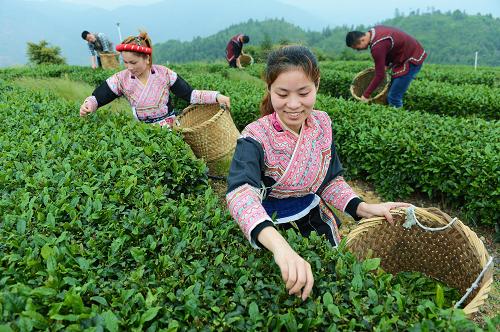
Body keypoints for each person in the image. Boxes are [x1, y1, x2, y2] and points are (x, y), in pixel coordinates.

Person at [225, 45, 409, 301]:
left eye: (303, 93)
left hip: (314, 220)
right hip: (269, 228)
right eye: (282, 93)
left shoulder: (322, 124)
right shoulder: (255, 136)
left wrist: (362, 208)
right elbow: (240, 194)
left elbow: (330, 180)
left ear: (317, 86)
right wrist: (280, 249)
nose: (293, 104)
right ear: (269, 89)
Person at [79, 31, 230, 128]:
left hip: (170, 129)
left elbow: (190, 95)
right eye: (125, 62)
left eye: (133, 62)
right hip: (143, 131)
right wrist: (89, 104)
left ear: (147, 58)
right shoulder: (121, 79)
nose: (129, 67)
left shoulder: (164, 74)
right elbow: (101, 95)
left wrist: (216, 97)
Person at [345, 26, 427, 108]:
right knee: (393, 91)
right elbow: (388, 47)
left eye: (357, 48)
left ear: (362, 40)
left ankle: (399, 119)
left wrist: (365, 95)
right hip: (409, 52)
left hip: (411, 59)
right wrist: (385, 64)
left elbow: (380, 75)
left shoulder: (377, 47)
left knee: (393, 98)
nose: (358, 50)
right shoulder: (374, 31)